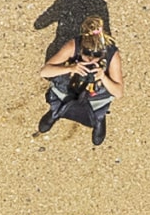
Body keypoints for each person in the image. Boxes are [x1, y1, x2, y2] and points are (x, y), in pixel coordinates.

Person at [34, 15, 124, 147]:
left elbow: (119, 92)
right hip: (69, 87)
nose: (91, 61)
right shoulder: (73, 46)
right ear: (81, 48)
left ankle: (98, 118)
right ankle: (55, 111)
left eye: (96, 57)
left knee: (101, 100)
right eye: (86, 56)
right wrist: (71, 68)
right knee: (59, 91)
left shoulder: (112, 54)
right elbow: (45, 71)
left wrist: (103, 77)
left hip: (95, 95)